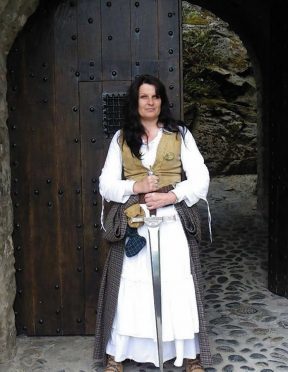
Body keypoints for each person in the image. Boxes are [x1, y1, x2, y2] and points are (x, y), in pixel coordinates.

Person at [93, 74, 211, 372]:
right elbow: (106, 184)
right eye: (144, 97)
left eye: (155, 96)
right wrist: (136, 188)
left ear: (162, 101)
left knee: (178, 287)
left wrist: (171, 197)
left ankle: (189, 355)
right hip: (136, 221)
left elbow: (201, 179)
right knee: (131, 289)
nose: (150, 102)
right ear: (135, 102)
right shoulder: (121, 138)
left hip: (172, 223)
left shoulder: (180, 134)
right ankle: (117, 354)